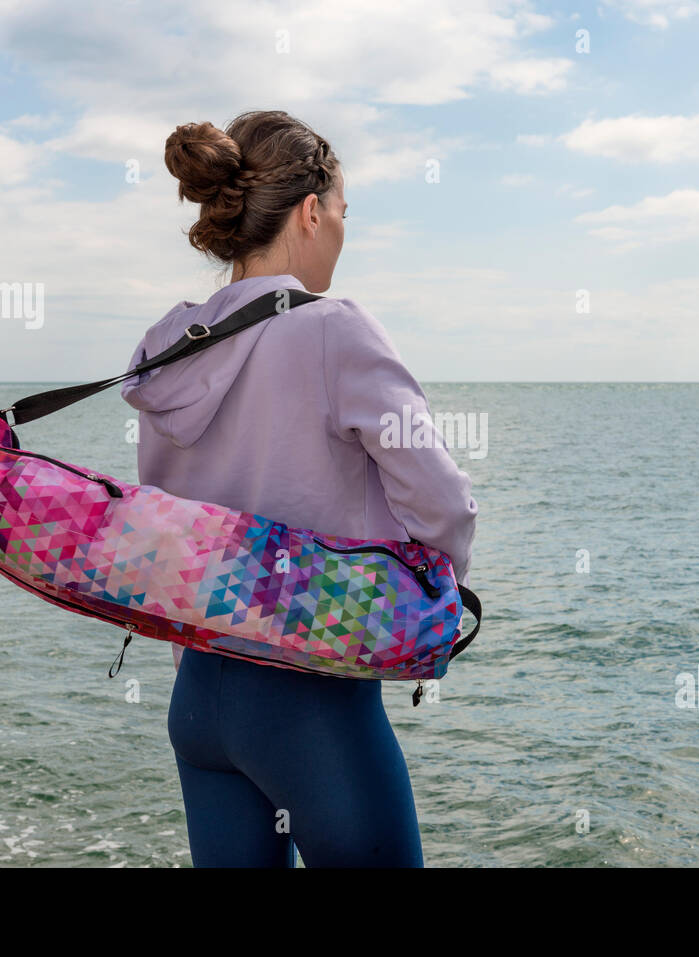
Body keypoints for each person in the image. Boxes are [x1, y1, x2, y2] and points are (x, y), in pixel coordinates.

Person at [121, 111, 478, 867]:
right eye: (344, 212)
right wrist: (430, 600)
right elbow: (441, 503)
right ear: (311, 211)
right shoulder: (334, 330)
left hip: (200, 698)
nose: (344, 232)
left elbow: (171, 518)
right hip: (312, 702)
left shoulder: (165, 348)